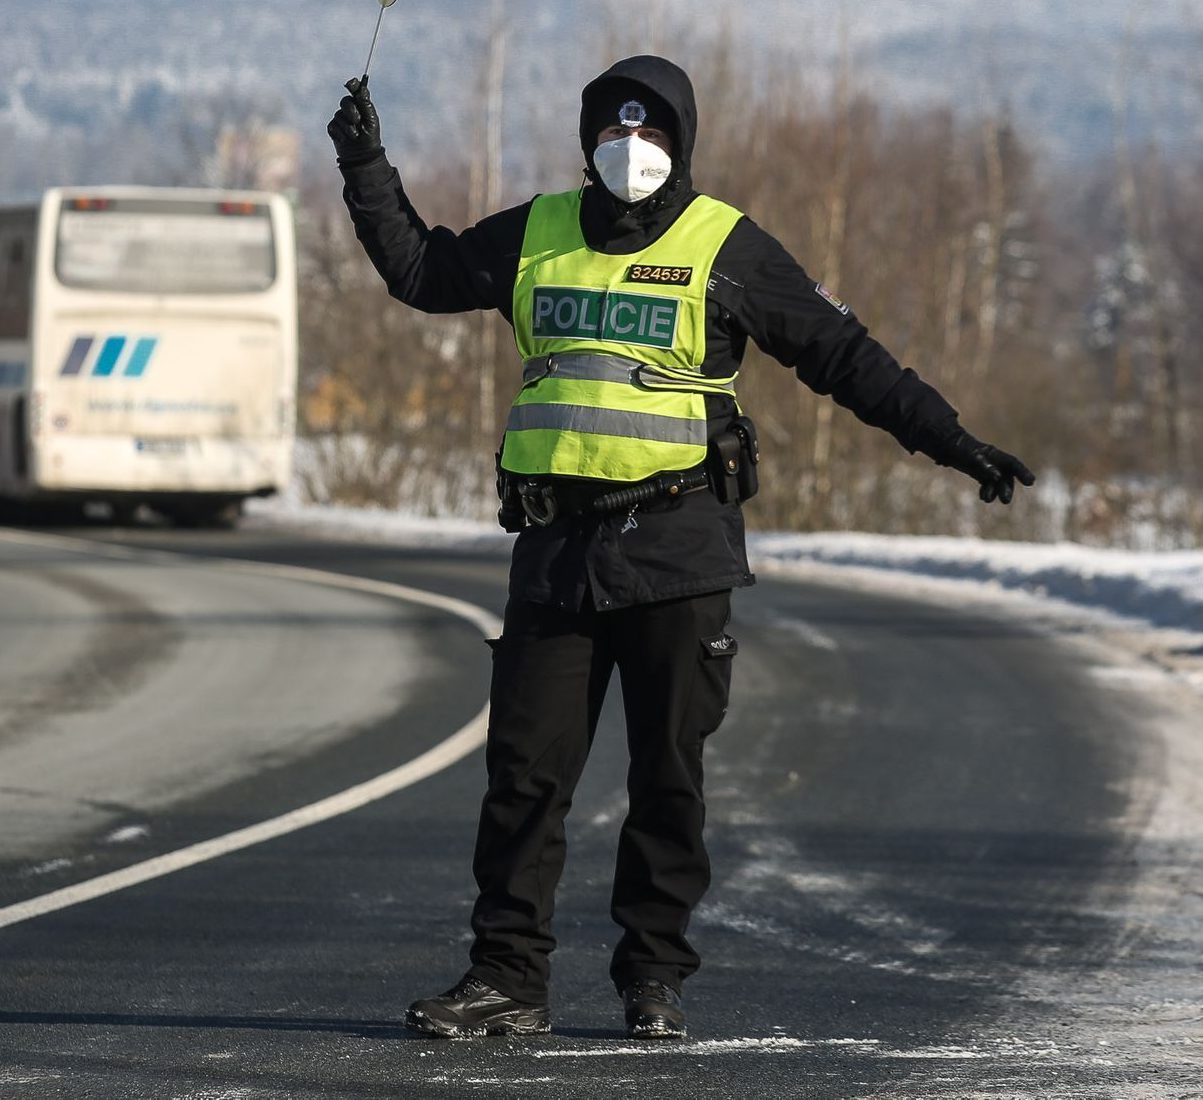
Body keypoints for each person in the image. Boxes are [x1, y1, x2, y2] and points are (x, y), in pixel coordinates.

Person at [328, 56, 1033, 1041]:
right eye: (613, 132)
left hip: (678, 549)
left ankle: (651, 979)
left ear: (682, 144)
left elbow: (845, 356)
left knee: (666, 779)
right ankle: (506, 980)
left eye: (651, 132)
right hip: (556, 550)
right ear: (587, 143)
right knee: (523, 783)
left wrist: (952, 440)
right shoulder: (533, 233)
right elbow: (420, 271)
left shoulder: (725, 245)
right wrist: (365, 165)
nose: (630, 149)